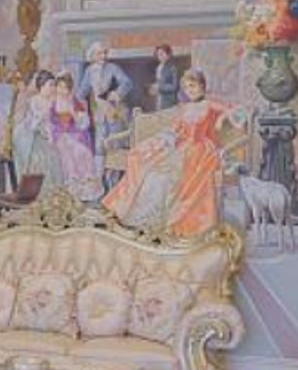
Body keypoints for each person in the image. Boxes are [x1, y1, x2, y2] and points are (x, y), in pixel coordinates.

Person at [102, 69, 239, 235]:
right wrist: (163, 141)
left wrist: (222, 118)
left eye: (193, 86)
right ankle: (144, 221)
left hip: (199, 149)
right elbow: (176, 129)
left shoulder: (209, 104)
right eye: (187, 88)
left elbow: (234, 110)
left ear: (202, 86)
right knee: (152, 173)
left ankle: (171, 221)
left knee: (170, 178)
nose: (190, 91)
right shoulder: (184, 108)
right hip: (182, 146)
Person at [75, 41, 133, 187]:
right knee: (99, 148)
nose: (103, 56)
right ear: (92, 55)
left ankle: (115, 184)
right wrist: (78, 108)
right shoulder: (89, 71)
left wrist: (117, 93)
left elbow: (127, 82)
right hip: (98, 114)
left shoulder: (113, 68)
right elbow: (81, 92)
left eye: (105, 53)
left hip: (113, 112)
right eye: (99, 53)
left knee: (114, 146)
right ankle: (101, 184)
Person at [50, 73, 103, 202]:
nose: (62, 90)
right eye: (60, 86)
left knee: (81, 151)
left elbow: (84, 123)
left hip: (75, 132)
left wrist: (74, 114)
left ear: (69, 89)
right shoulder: (53, 103)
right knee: (66, 149)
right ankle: (72, 184)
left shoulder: (75, 102)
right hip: (59, 134)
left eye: (65, 88)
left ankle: (86, 187)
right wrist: (56, 133)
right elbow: (50, 122)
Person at [149, 44, 180, 110]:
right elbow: (158, 82)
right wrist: (154, 88)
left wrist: (160, 87)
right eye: (158, 55)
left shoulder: (172, 68)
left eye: (162, 54)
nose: (160, 56)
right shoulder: (158, 68)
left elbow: (174, 86)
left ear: (168, 55)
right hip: (159, 100)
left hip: (169, 100)